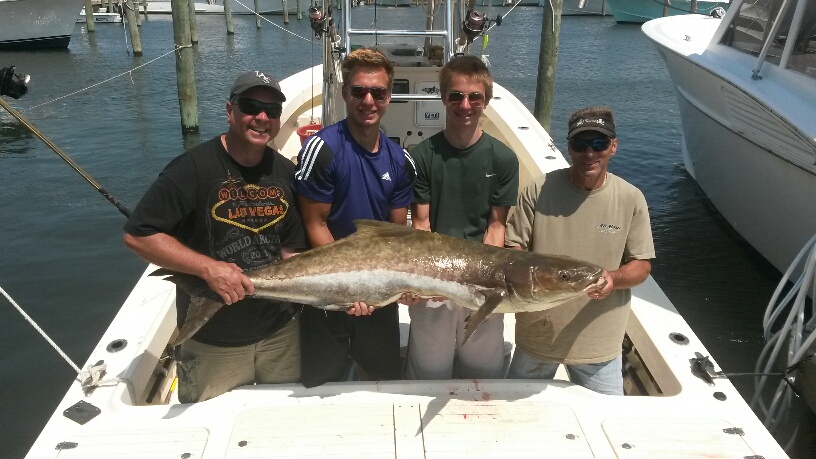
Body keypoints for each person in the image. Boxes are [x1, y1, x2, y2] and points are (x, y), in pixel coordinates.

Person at [123, 70, 306, 403]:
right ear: (229, 110)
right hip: (213, 341)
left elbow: (291, 251)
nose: (262, 117)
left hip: (280, 333)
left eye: (273, 110)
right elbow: (138, 235)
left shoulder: (286, 173)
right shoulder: (191, 169)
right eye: (251, 105)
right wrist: (209, 269)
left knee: (278, 426)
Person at [504, 106, 655, 395]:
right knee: (517, 420)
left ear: (613, 146)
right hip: (537, 336)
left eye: (598, 143)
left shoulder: (631, 198)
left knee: (607, 422)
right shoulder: (538, 190)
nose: (589, 153)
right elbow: (514, 248)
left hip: (599, 344)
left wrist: (613, 278)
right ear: (569, 147)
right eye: (580, 144)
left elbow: (642, 265)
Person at [292, 48, 415, 388]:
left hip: (379, 291)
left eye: (378, 92)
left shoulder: (401, 160)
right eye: (359, 91)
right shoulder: (322, 149)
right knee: (322, 383)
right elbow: (314, 224)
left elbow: (394, 236)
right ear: (345, 93)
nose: (369, 100)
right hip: (328, 286)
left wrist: (398, 287)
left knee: (383, 382)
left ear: (389, 96)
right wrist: (348, 289)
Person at [404, 55, 519, 380]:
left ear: (485, 101)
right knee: (428, 373)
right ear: (443, 98)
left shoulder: (504, 159)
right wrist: (426, 283)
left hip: (483, 283)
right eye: (456, 96)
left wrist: (480, 286)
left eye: (474, 97)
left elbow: (496, 228)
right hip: (434, 281)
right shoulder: (422, 156)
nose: (464, 105)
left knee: (481, 374)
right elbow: (422, 226)